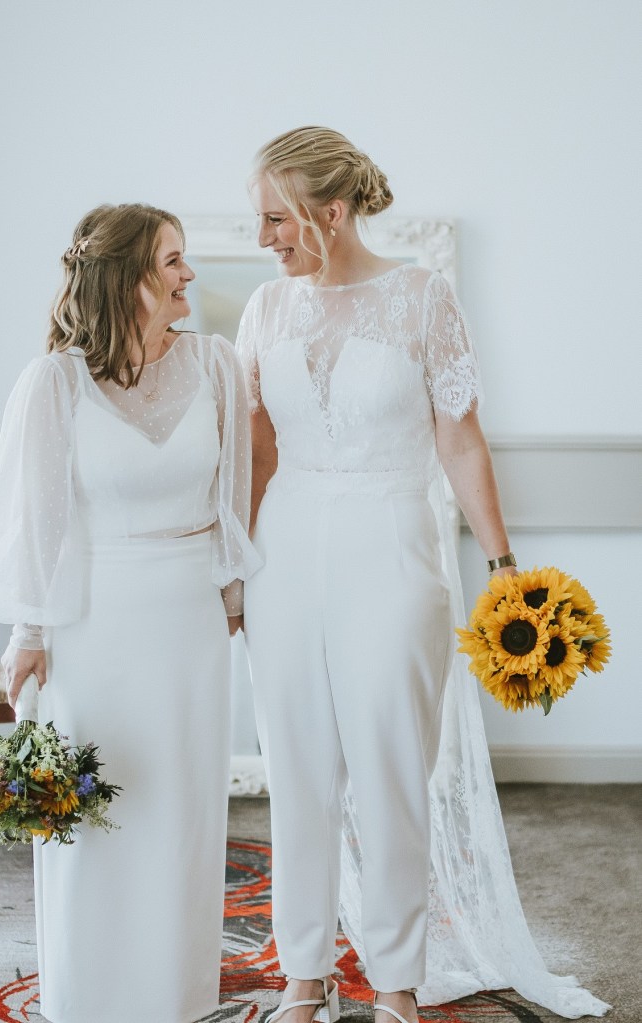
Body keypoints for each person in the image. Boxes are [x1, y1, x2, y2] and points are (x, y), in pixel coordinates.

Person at [236, 127, 610, 1023]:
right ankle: (304, 976)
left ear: (331, 212)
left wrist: (504, 566)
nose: (264, 237)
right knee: (296, 770)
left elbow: (460, 438)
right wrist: (233, 566)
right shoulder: (264, 308)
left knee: (391, 768)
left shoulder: (420, 298)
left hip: (392, 546)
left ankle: (396, 981)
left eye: (277, 218)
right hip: (283, 552)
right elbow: (257, 446)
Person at [0, 203, 261, 1023]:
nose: (188, 274)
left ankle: (174, 996)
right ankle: (87, 995)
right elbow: (40, 521)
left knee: (180, 812)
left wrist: (235, 600)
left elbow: (232, 499)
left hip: (190, 624)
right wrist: (28, 634)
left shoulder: (216, 366)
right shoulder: (54, 382)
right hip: (92, 623)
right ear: (126, 277)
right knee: (98, 809)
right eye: (171, 260)